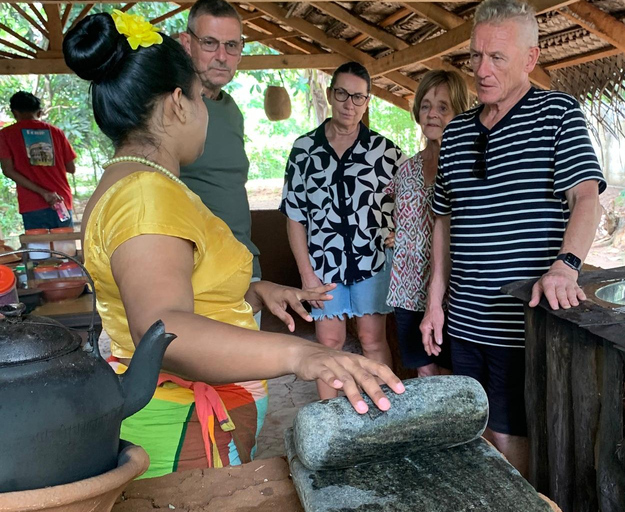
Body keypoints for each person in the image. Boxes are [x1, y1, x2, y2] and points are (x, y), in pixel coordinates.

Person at [63, 11, 403, 479]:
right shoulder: (145, 194)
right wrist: (299, 353)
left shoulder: (136, 182)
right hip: (182, 432)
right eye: (202, 98)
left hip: (199, 424)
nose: (207, 111)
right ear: (179, 104)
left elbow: (179, 290)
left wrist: (255, 291)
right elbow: (161, 325)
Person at [420, 0, 605, 477]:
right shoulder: (457, 132)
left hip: (518, 324)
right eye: (476, 56)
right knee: (472, 428)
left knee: (511, 435)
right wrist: (435, 301)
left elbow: (586, 198)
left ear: (530, 58)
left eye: (497, 57)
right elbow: (443, 218)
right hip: (463, 319)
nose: (482, 69)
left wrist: (566, 265)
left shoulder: (557, 113)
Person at [281, 62, 405, 400]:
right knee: (329, 344)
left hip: (372, 265)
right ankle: (331, 424)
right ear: (330, 94)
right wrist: (306, 276)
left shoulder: (386, 151)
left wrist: (399, 230)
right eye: (343, 94)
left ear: (367, 102)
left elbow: (410, 199)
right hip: (323, 268)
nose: (349, 104)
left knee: (372, 340)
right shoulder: (304, 150)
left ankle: (385, 415)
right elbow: (294, 217)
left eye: (358, 97)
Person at [178, 0, 264, 321]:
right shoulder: (170, 106)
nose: (222, 56)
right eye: (210, 43)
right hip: (196, 278)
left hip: (243, 268)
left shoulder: (232, 110)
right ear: (186, 43)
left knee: (250, 372)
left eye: (232, 45)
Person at [384, 70, 469, 377]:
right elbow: (384, 210)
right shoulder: (406, 170)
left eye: (443, 107)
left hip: (454, 291)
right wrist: (387, 234)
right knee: (424, 372)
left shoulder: (467, 168)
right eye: (426, 105)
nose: (432, 113)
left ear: (460, 112)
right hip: (408, 289)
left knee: (456, 374)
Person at [0, 91, 77, 230]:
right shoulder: (56, 132)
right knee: (66, 249)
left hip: (33, 204)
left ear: (15, 113)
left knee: (39, 249)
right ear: (40, 112)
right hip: (61, 200)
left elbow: (7, 170)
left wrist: (42, 192)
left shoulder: (6, 135)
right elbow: (71, 168)